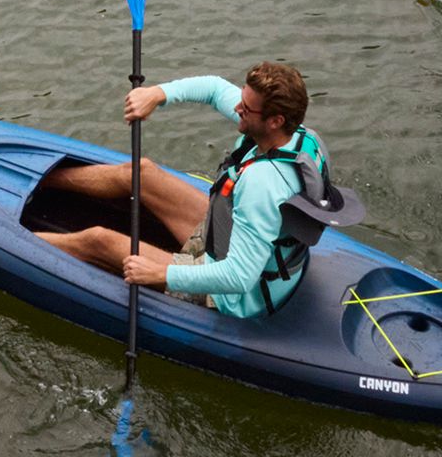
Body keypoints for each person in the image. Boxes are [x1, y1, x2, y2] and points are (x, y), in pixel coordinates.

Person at [39, 62, 332, 319]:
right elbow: (214, 88)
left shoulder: (262, 184)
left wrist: (160, 274)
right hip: (231, 238)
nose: (237, 108)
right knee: (140, 172)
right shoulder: (302, 138)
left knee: (98, 240)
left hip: (232, 295)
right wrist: (157, 94)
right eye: (242, 99)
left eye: (246, 108)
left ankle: (20, 237)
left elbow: (239, 278)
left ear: (275, 120)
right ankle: (43, 178)